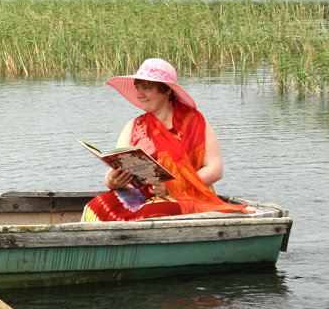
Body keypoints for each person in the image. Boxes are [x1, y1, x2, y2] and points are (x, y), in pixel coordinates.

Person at [82, 57, 247, 222]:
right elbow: (117, 164)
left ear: (166, 90)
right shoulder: (133, 126)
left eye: (146, 88)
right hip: (144, 195)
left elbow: (215, 170)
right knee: (95, 206)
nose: (140, 94)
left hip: (189, 194)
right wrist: (112, 181)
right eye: (138, 88)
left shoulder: (196, 123)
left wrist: (172, 186)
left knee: (154, 211)